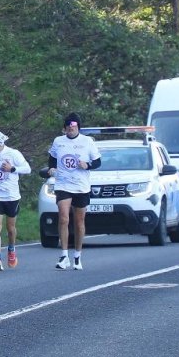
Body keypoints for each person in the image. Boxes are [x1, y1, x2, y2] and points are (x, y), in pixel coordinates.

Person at [41, 113, 101, 270]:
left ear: (78, 128)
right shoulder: (58, 141)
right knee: (63, 218)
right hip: (62, 184)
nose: (70, 130)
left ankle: (77, 256)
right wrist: (52, 168)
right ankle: (64, 255)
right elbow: (52, 157)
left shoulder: (87, 142)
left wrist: (87, 165)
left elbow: (98, 161)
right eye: (68, 128)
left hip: (81, 186)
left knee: (79, 221)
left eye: (73, 128)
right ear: (65, 128)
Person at [0, 130, 31, 271]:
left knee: (10, 228)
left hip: (11, 196)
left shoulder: (13, 154)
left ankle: (11, 248)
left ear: (0, 144)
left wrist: (12, 168)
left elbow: (27, 169)